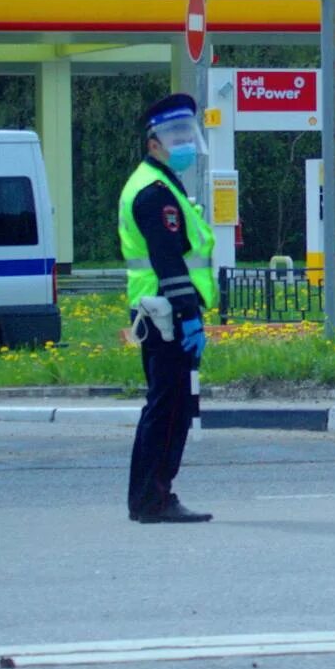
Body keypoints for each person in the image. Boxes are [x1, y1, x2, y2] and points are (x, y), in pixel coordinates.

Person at [121, 93, 216, 524]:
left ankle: (152, 496)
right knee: (168, 407)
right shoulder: (152, 193)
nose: (184, 143)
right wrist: (188, 315)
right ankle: (152, 499)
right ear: (153, 142)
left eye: (187, 133)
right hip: (166, 314)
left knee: (169, 404)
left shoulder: (161, 184)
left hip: (162, 311)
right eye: (174, 135)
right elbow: (168, 259)